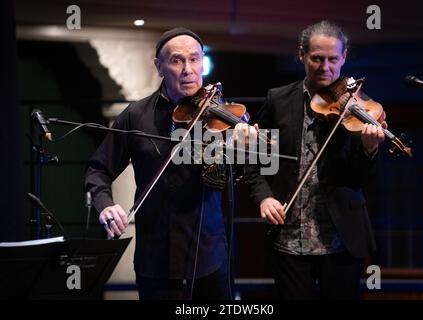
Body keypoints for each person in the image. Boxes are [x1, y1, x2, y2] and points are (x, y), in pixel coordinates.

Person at [85, 27, 255, 300]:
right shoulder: (136, 115)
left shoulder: (219, 114)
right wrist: (105, 205)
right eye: (177, 60)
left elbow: (243, 174)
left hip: (209, 256)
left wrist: (247, 149)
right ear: (159, 66)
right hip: (156, 259)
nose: (188, 69)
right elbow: (98, 169)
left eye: (195, 59)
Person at [246, 20, 386, 299]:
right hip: (289, 238)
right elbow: (255, 160)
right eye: (317, 59)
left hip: (341, 240)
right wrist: (264, 197)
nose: (326, 68)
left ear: (344, 57)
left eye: (333, 59)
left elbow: (361, 180)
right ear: (301, 55)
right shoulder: (278, 100)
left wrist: (369, 150)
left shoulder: (358, 107)